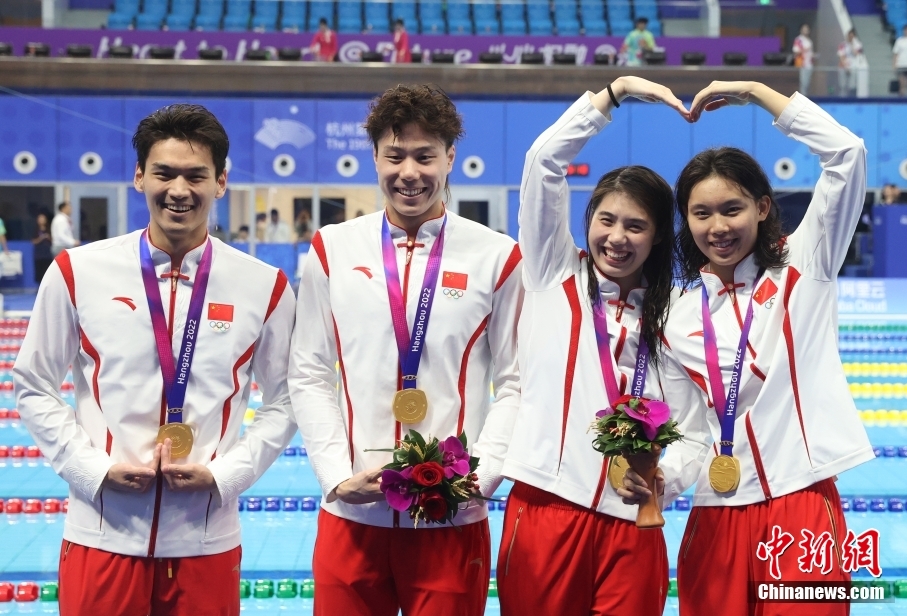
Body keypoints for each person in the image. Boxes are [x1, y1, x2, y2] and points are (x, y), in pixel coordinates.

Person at [13, 104, 297, 615]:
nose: (179, 190)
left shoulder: (264, 286)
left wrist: (228, 474)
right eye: (164, 173)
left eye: (196, 175)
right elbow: (33, 385)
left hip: (205, 537)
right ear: (139, 175)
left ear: (222, 181)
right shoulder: (77, 271)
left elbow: (287, 399)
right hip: (102, 533)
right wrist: (91, 470)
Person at [626, 81, 873, 615]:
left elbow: (847, 154)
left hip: (800, 503)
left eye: (732, 209)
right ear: (686, 222)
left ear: (763, 207)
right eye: (701, 214)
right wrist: (663, 483)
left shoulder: (805, 264)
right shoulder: (676, 316)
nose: (717, 227)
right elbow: (692, 434)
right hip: (716, 514)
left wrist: (759, 93)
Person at [289, 84, 523, 615]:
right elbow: (307, 372)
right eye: (394, 156)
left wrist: (479, 479)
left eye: (425, 156)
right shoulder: (332, 249)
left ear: (450, 158)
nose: (409, 172)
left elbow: (515, 382)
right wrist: (334, 476)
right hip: (353, 520)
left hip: (452, 522)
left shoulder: (498, 257)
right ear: (374, 157)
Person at [498, 76, 707, 616]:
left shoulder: (677, 316)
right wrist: (615, 93)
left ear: (658, 236)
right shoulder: (551, 275)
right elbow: (543, 160)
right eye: (606, 220)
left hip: (634, 520)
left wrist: (664, 479)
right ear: (586, 221)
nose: (617, 237)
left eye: (635, 225)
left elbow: (695, 432)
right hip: (545, 508)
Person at [837, 29, 867, 97]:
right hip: (843, 66)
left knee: (852, 86)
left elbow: (856, 54)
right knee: (843, 86)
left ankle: (851, 100)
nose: (850, 38)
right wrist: (845, 66)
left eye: (852, 36)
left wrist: (851, 45)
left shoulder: (858, 45)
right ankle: (842, 100)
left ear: (854, 36)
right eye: (849, 36)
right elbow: (841, 56)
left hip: (853, 67)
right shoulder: (842, 45)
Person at [792, 24, 814, 96]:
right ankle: (802, 99)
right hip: (802, 64)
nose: (806, 30)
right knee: (803, 84)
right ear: (801, 30)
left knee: (807, 84)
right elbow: (796, 51)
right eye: (804, 29)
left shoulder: (809, 40)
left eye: (807, 29)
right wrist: (805, 49)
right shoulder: (799, 40)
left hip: (809, 64)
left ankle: (806, 98)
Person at [32, 212, 53, 284]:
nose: (41, 220)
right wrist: (41, 238)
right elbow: (33, 241)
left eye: (43, 218)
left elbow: (53, 240)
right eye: (40, 219)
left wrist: (48, 237)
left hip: (47, 253)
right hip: (38, 254)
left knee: (47, 270)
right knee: (39, 271)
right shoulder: (35, 230)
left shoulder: (49, 229)